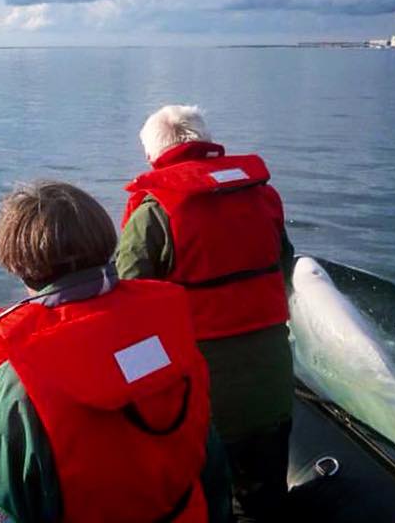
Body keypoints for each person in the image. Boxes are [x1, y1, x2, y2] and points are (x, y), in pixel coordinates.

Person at [0, 181, 227, 523]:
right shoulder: (172, 340)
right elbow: (210, 462)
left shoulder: (19, 387)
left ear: (16, 264)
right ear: (105, 245)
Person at [116, 105, 294, 523]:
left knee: (206, 501)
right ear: (206, 142)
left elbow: (127, 307)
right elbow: (283, 266)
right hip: (273, 380)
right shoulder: (264, 196)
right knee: (267, 497)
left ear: (152, 158)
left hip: (202, 397)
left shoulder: (153, 213)